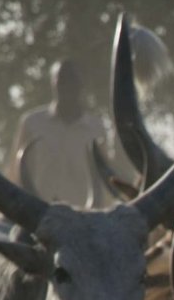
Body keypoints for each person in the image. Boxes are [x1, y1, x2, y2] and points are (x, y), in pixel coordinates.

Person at [6, 58, 107, 205]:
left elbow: (102, 178)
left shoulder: (96, 128)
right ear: (53, 84)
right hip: (38, 215)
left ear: (81, 85)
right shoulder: (32, 123)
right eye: (61, 81)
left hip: (82, 216)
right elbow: (15, 174)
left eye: (72, 82)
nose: (66, 87)